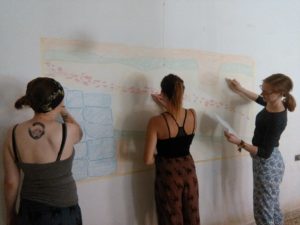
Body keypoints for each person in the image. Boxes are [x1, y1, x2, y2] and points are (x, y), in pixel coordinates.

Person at [3, 77, 83, 225]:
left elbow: (10, 182)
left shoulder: (12, 134)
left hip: (29, 211)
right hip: (63, 213)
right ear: (58, 102)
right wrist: (63, 111)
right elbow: (80, 133)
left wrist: (10, 214)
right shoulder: (68, 131)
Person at [224, 74, 296, 225]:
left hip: (267, 164)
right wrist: (241, 89)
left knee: (263, 210)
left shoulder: (277, 119)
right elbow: (260, 99)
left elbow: (264, 152)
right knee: (271, 205)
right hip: (270, 161)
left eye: (267, 92)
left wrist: (239, 142)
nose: (263, 94)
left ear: (281, 93)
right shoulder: (272, 102)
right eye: (262, 89)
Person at [144, 74, 200, 225]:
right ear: (182, 92)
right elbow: (177, 119)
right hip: (189, 171)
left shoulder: (156, 122)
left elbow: (148, 160)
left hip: (169, 175)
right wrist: (166, 105)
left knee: (171, 216)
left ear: (162, 93)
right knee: (192, 213)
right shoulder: (193, 114)